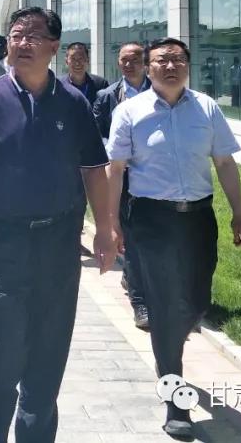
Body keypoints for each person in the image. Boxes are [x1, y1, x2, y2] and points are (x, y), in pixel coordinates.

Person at [0, 7, 117, 443]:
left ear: (54, 47)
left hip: (58, 241)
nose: (22, 43)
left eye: (33, 36)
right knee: (2, 344)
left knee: (50, 341)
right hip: (2, 238)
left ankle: (34, 429)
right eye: (16, 35)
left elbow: (94, 170)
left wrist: (105, 228)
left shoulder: (74, 104)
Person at [106, 37, 241, 441]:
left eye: (177, 60)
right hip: (150, 220)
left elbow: (224, 162)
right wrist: (111, 223)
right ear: (148, 67)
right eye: (161, 60)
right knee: (166, 308)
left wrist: (238, 213)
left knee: (197, 302)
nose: (170, 66)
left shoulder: (207, 108)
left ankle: (168, 346)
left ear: (188, 65)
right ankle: (175, 396)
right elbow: (115, 170)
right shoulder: (129, 111)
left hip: (198, 219)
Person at [92, 42, 152, 330]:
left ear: (145, 62)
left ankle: (133, 275)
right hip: (120, 174)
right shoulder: (107, 97)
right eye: (124, 60)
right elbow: (96, 134)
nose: (129, 65)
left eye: (135, 59)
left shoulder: (160, 92)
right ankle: (140, 301)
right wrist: (116, 152)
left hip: (152, 175)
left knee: (149, 231)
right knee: (128, 230)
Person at [59, 42, 109, 106]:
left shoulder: (101, 84)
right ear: (66, 61)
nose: (77, 63)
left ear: (88, 60)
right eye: (73, 59)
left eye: (81, 58)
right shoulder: (58, 85)